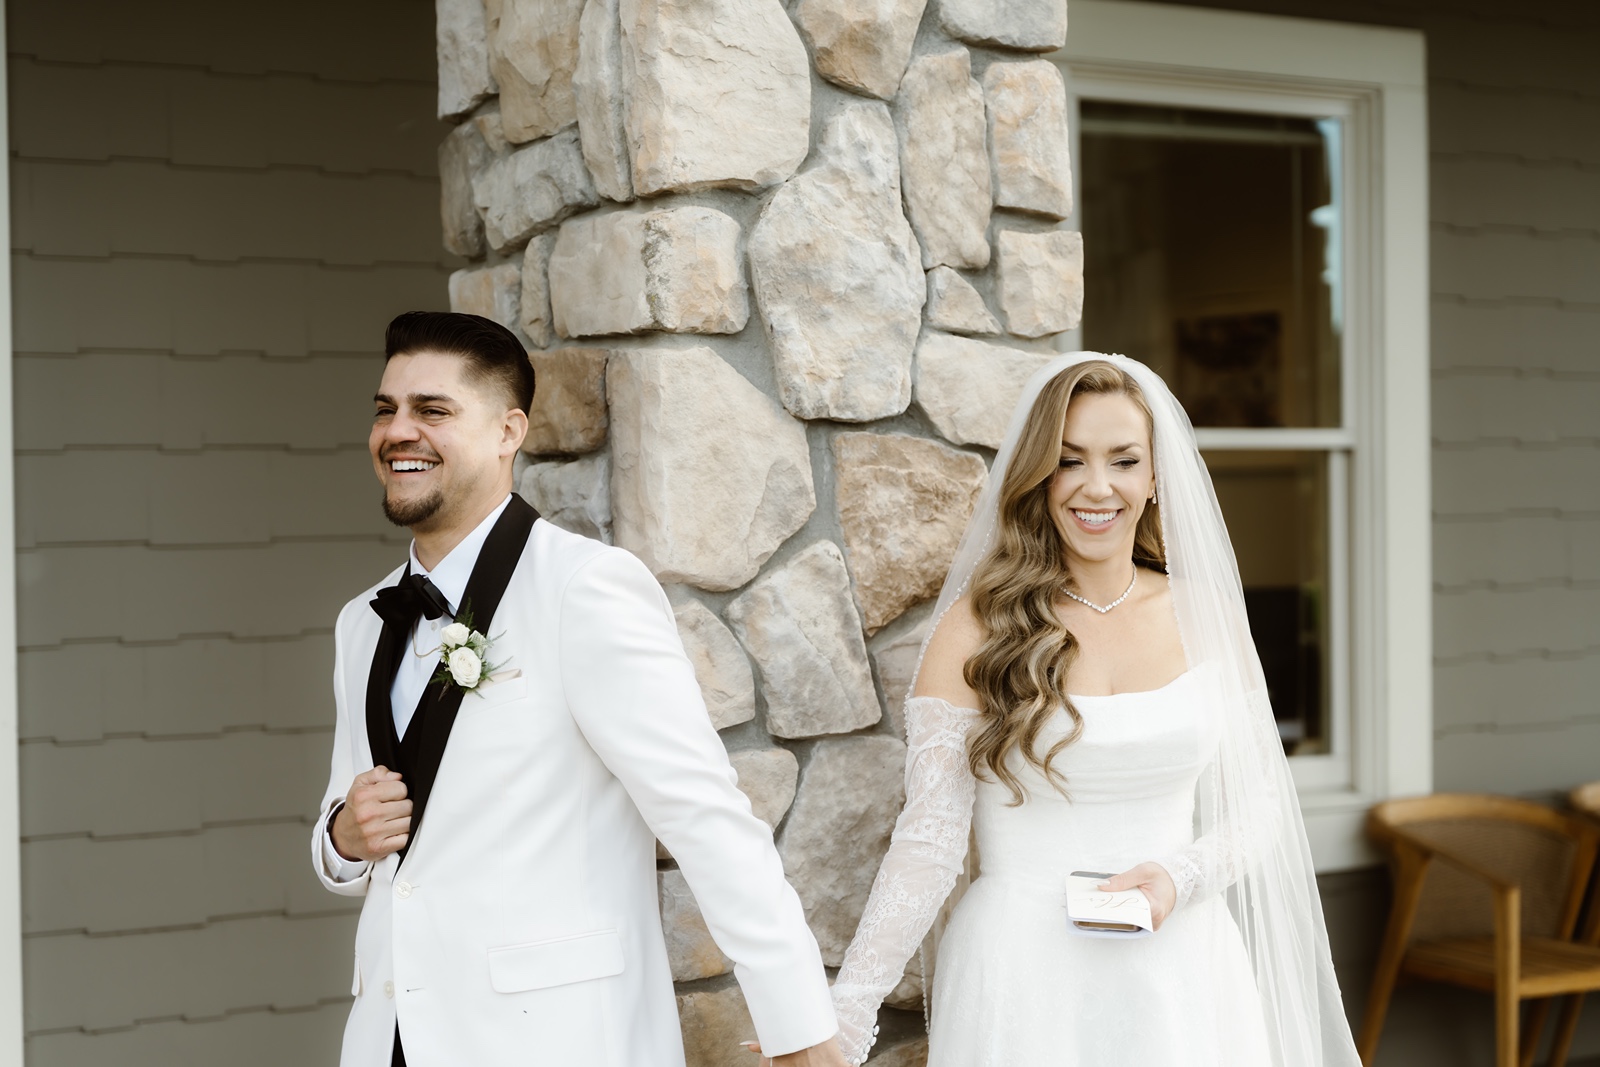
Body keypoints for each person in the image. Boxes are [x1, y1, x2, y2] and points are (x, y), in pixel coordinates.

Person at [311, 311, 846, 1067]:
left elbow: (705, 816)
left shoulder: (585, 589)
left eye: (432, 410)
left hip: (553, 1041)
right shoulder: (359, 622)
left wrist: (799, 1027)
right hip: (389, 1041)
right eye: (385, 409)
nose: (399, 430)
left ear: (508, 431)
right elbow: (346, 831)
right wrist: (341, 838)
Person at [823, 355, 1361, 1065]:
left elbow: (1262, 802)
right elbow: (929, 842)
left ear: (1155, 476)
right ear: (1041, 477)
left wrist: (1183, 875)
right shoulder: (975, 627)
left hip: (1185, 970)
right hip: (1023, 977)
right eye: (1070, 460)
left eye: (1123, 460)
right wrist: (848, 1007)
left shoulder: (1208, 614)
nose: (1097, 486)